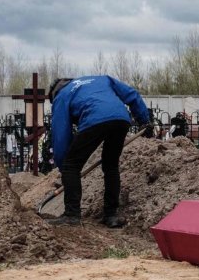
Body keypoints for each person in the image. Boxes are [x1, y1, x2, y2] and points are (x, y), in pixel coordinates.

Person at [47, 75, 151, 227]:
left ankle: (71, 214)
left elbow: (61, 133)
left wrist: (66, 170)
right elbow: (131, 94)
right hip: (120, 118)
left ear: (54, 93)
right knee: (111, 165)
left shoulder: (61, 96)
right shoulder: (102, 79)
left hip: (93, 118)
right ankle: (111, 215)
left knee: (71, 166)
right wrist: (144, 121)